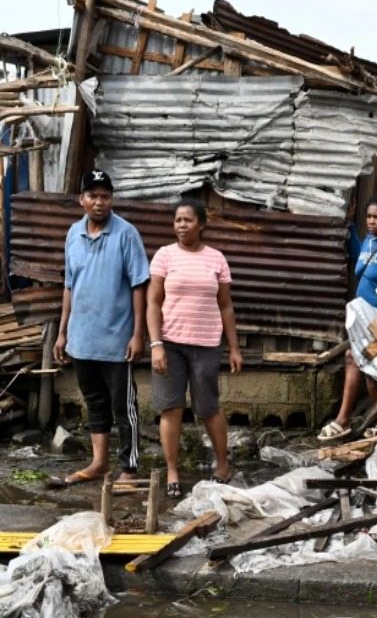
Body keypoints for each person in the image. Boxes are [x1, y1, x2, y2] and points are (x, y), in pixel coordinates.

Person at [51, 170, 150, 487]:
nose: (99, 201)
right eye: (92, 195)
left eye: (105, 196)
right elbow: (69, 286)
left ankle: (129, 469)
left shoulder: (126, 234)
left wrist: (138, 334)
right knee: (94, 402)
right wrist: (63, 332)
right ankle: (99, 463)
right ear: (82, 199)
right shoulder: (72, 234)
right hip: (82, 338)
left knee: (124, 406)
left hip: (117, 340)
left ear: (112, 199)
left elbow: (139, 286)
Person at [146, 200, 243, 498]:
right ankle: (173, 471)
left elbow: (225, 306)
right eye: (177, 220)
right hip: (170, 345)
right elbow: (153, 302)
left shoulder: (216, 259)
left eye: (187, 220)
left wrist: (234, 348)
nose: (181, 225)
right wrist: (156, 344)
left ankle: (223, 464)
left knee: (208, 408)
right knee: (171, 408)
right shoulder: (164, 256)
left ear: (202, 224)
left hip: (206, 345)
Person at [318, 196, 377, 442]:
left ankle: (346, 420)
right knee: (362, 364)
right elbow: (360, 259)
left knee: (362, 363)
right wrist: (349, 227)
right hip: (361, 317)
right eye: (368, 216)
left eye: (376, 217)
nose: (371, 221)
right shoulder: (369, 241)